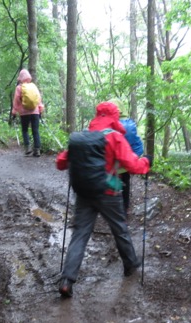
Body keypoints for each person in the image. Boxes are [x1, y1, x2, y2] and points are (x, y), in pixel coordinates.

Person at [56, 101, 151, 298]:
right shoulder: (115, 137)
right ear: (115, 117)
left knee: (79, 234)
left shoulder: (83, 137)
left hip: (83, 194)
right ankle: (130, 264)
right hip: (108, 193)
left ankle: (67, 280)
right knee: (119, 228)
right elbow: (133, 166)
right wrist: (147, 162)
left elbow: (61, 162)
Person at [108, 98, 145, 218]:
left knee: (110, 184)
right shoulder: (130, 125)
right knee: (125, 184)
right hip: (126, 164)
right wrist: (135, 158)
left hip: (110, 165)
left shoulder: (106, 124)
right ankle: (125, 208)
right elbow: (138, 145)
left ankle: (112, 209)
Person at [11, 69, 43, 157]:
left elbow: (16, 101)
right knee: (35, 131)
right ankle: (37, 150)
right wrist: (40, 109)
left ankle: (28, 148)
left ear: (20, 78)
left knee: (25, 130)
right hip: (35, 112)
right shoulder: (33, 86)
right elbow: (38, 99)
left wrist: (14, 112)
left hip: (24, 113)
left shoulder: (19, 88)